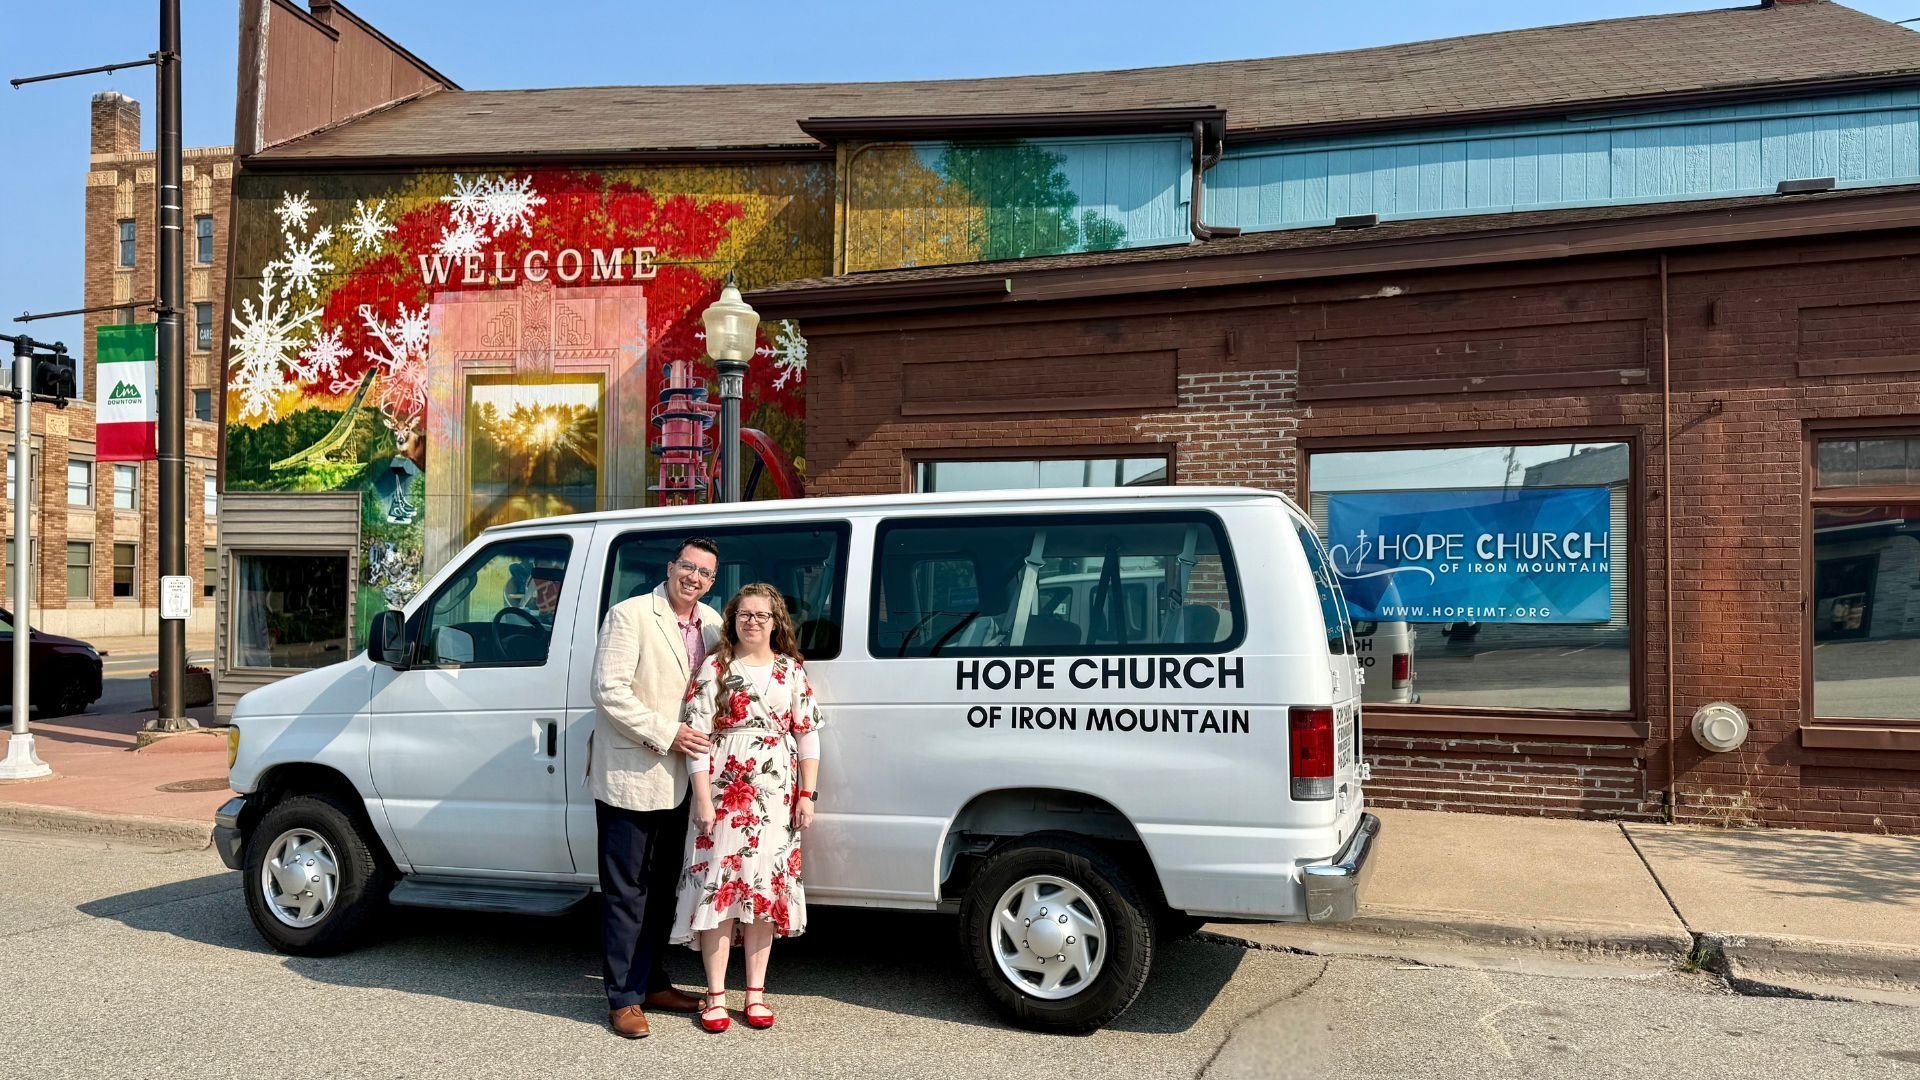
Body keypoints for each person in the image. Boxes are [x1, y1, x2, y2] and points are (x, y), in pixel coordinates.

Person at [589, 537, 725, 1039]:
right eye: (688, 567)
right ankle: (623, 997)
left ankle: (651, 982)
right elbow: (608, 691)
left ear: (712, 582)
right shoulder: (630, 615)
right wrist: (669, 733)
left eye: (705, 573)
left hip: (685, 780)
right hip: (634, 774)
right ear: (671, 568)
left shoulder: (712, 623)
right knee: (627, 892)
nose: (694, 578)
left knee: (664, 889)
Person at [673, 583, 824, 1033]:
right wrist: (702, 797)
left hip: (776, 797)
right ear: (733, 620)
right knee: (719, 891)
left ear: (776, 623)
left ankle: (755, 994)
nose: (752, 622)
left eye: (761, 615)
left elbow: (808, 736)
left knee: (763, 892)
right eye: (744, 614)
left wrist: (807, 794)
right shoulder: (714, 667)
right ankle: (716, 996)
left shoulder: (790, 670)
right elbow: (697, 738)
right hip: (724, 794)